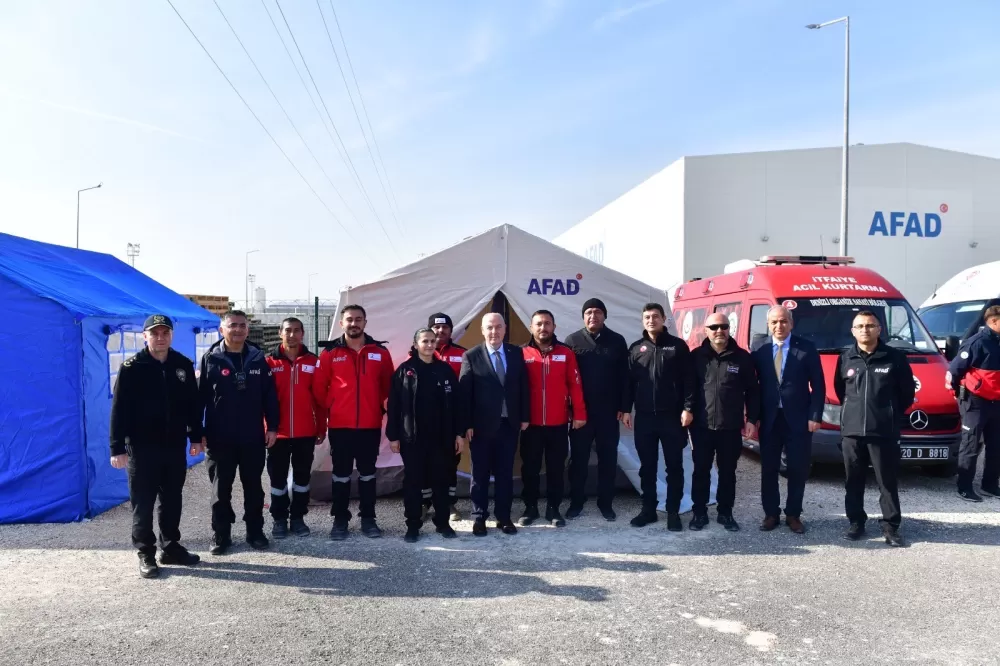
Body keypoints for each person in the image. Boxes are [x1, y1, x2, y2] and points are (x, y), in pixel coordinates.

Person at [109, 314, 203, 578]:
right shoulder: (132, 368)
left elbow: (192, 407)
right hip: (142, 448)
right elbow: (119, 411)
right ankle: (146, 553)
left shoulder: (181, 365)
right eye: (155, 333)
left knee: (172, 499)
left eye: (165, 333)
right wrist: (116, 447)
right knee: (144, 502)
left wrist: (196, 437)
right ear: (145, 337)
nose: (160, 338)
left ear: (171, 335)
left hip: (174, 446)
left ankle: (171, 546)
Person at [199, 310, 280, 555]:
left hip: (252, 436)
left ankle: (255, 531)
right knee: (220, 489)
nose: (238, 329)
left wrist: (273, 427)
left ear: (247, 329)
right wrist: (197, 431)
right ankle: (221, 534)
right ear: (221, 329)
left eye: (242, 325)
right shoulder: (210, 358)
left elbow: (270, 397)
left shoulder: (258, 359)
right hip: (218, 437)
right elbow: (199, 397)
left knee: (253, 487)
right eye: (232, 325)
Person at [834, 311, 915, 547]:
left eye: (870, 325)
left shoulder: (894, 357)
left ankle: (890, 527)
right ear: (853, 331)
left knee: (886, 481)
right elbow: (841, 391)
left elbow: (907, 393)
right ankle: (856, 522)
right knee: (853, 480)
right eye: (859, 326)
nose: (865, 330)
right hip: (852, 431)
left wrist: (887, 414)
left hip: (883, 431)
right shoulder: (846, 358)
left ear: (879, 329)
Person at [313, 305, 394, 540]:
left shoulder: (380, 352)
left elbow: (388, 386)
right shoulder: (329, 353)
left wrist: (378, 407)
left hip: (369, 425)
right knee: (341, 475)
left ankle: (368, 519)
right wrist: (333, 405)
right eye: (349, 319)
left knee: (368, 474)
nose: (354, 323)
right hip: (340, 426)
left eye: (358, 319)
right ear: (341, 324)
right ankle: (340, 520)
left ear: (365, 323)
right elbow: (319, 388)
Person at [621, 303, 696, 531]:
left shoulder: (678, 347)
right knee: (647, 467)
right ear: (642, 321)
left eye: (655, 316)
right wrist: (626, 409)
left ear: (664, 319)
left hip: (672, 418)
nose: (651, 320)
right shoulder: (636, 349)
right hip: (644, 418)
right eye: (647, 317)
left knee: (674, 466)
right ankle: (649, 510)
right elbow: (628, 384)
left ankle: (673, 511)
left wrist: (688, 408)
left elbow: (689, 381)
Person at [386, 328, 465, 542]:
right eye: (425, 341)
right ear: (416, 343)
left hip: (442, 438)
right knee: (413, 483)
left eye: (432, 341)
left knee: (441, 481)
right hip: (413, 439)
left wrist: (459, 434)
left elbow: (457, 405)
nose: (430, 345)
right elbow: (394, 406)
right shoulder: (405, 370)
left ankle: (442, 523)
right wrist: (393, 436)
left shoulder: (445, 370)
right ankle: (412, 525)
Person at [752, 305, 824, 534]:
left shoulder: (807, 348)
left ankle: (793, 514)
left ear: (791, 323)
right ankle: (771, 514)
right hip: (770, 420)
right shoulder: (759, 348)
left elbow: (819, 385)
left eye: (783, 321)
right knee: (769, 469)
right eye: (774, 322)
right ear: (768, 324)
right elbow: (752, 387)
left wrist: (815, 415)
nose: (779, 326)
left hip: (799, 420)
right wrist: (752, 418)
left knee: (797, 468)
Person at [457, 312, 530, 537]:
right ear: (482, 330)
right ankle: (479, 517)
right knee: (479, 474)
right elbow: (464, 394)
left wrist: (524, 416)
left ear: (505, 329)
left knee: (504, 473)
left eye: (498, 327)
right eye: (489, 327)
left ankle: (504, 517)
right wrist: (466, 424)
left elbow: (523, 387)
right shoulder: (471, 356)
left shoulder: (516, 353)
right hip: (480, 427)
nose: (494, 332)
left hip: (509, 425)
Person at [690, 313, 760, 532]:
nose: (719, 331)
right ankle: (699, 513)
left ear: (729, 329)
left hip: (730, 427)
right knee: (700, 471)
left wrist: (752, 420)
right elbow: (688, 389)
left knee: (728, 472)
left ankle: (725, 513)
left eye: (724, 326)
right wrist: (686, 411)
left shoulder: (742, 358)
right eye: (714, 327)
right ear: (706, 330)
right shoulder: (696, 357)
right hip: (701, 426)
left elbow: (753, 392)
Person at [519, 310, 587, 527]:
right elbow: (514, 390)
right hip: (530, 424)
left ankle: (553, 508)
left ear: (554, 327)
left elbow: (575, 385)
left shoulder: (566, 353)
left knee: (556, 468)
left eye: (547, 323)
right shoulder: (521, 353)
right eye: (538, 324)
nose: (543, 328)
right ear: (531, 327)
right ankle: (530, 508)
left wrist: (579, 414)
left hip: (558, 424)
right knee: (529, 468)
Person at [563, 298, 628, 521]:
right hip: (581, 415)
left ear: (605, 315)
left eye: (598, 312)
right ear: (583, 316)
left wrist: (624, 407)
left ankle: (605, 503)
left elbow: (625, 378)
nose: (593, 316)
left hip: (609, 414)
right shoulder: (572, 340)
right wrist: (569, 410)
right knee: (578, 460)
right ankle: (576, 502)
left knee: (608, 460)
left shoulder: (617, 341)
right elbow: (565, 379)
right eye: (589, 312)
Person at [264, 317, 325, 540]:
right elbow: (263, 399)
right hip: (277, 433)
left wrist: (321, 427)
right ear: (280, 332)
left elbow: (319, 398)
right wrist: (266, 428)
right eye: (287, 330)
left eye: (296, 331)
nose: (292, 335)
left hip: (305, 432)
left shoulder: (314, 361)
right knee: (277, 479)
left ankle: (298, 518)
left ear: (302, 334)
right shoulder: (269, 362)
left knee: (301, 479)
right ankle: (279, 519)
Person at [946, 304, 1000, 502]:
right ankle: (965, 487)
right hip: (975, 401)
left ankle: (990, 485)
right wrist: (956, 393)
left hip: (997, 401)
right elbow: (954, 370)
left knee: (996, 445)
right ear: (993, 321)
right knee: (971, 444)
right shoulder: (976, 342)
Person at [426, 312, 467, 522]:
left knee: (450, 464)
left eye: (445, 328)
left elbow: (469, 390)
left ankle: (449, 504)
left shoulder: (463, 354)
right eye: (436, 327)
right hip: (425, 423)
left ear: (451, 330)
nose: (441, 331)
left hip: (451, 422)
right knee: (424, 464)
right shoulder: (417, 354)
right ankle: (424, 504)